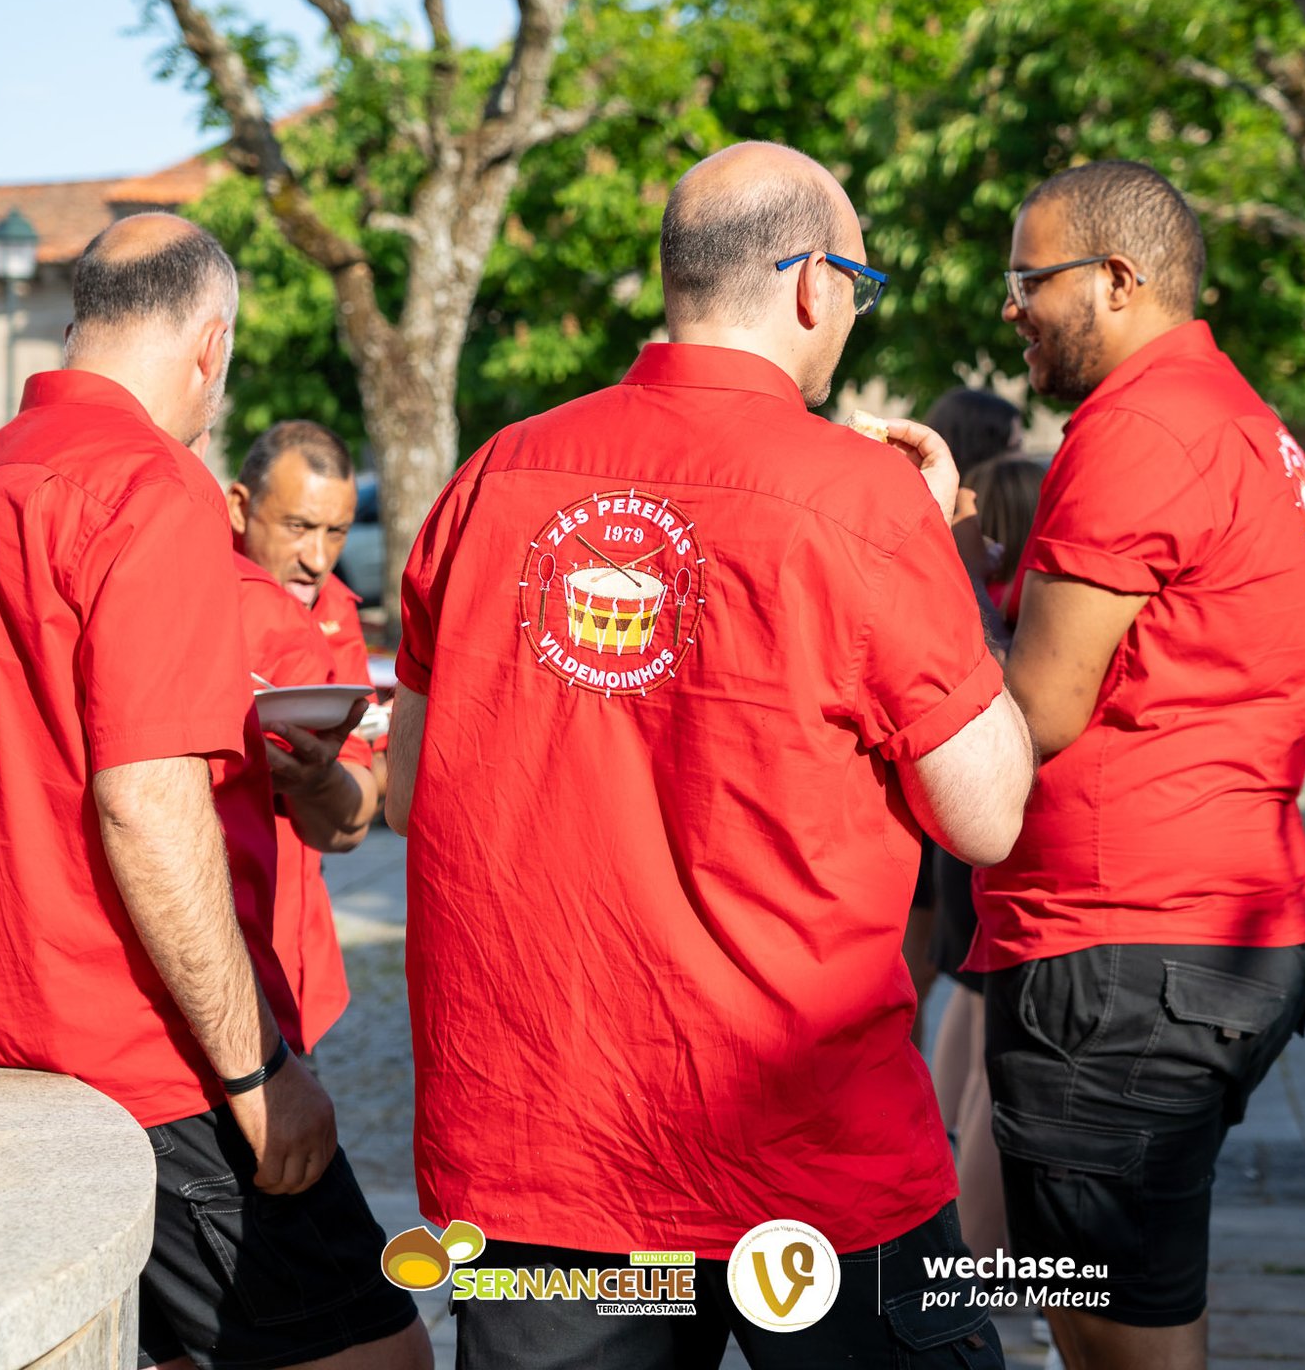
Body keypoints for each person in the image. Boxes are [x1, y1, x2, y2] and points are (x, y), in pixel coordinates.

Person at [388, 142, 1035, 1370]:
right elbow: (989, 810)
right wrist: (944, 553)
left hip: (549, 1143)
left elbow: (421, 790)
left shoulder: (493, 474)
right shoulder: (863, 500)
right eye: (861, 282)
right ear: (811, 285)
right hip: (810, 1149)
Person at [0, 215, 427, 1370]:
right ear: (210, 344)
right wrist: (258, 1072)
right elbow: (146, 802)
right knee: (380, 1356)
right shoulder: (148, 486)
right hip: (134, 1045)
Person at [967, 161, 1305, 1370]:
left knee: (1112, 1328)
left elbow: (1042, 706)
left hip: (1124, 950)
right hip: (1213, 928)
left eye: (1029, 277)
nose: (1009, 306)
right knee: (1139, 1296)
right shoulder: (1233, 413)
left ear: (1118, 280)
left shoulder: (1135, 426)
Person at [229, 421, 379, 1051]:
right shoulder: (182, 584)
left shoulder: (336, 610)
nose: (318, 558)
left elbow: (350, 822)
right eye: (297, 527)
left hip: (291, 962)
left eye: (336, 532)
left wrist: (321, 778)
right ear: (240, 507)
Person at [930, 453, 1046, 1261]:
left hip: (966, 849)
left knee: (969, 1012)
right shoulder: (1008, 612)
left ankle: (954, 1218)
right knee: (990, 1054)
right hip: (1003, 844)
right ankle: (973, 1253)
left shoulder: (990, 599)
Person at [904, 388, 1024, 1036]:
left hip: (927, 756)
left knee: (918, 963)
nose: (1021, 449)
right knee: (920, 962)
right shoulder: (959, 522)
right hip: (944, 746)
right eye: (1010, 439)